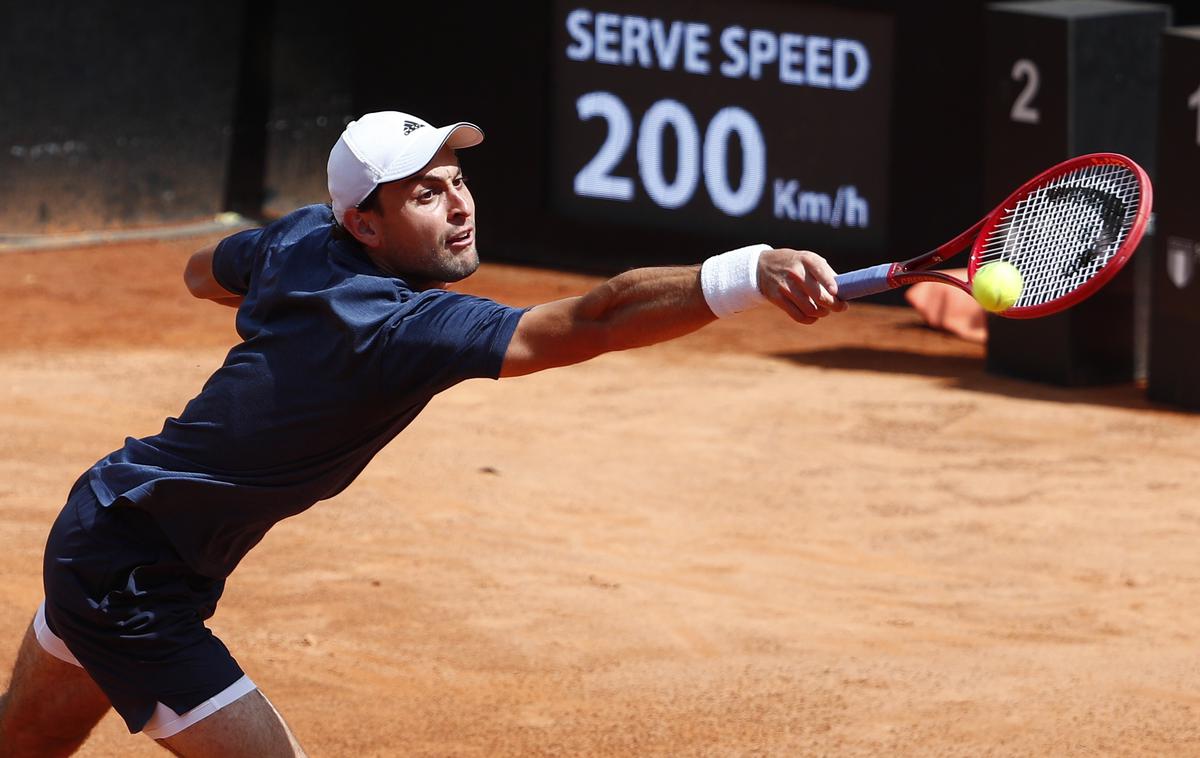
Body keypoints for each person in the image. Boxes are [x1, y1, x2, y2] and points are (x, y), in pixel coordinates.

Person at [0, 110, 846, 757]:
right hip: (131, 577)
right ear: (363, 224)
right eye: (425, 194)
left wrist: (267, 293)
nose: (459, 208)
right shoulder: (397, 328)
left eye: (455, 181)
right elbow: (591, 318)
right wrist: (746, 272)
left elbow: (200, 271)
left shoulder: (301, 237)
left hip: (113, 523)